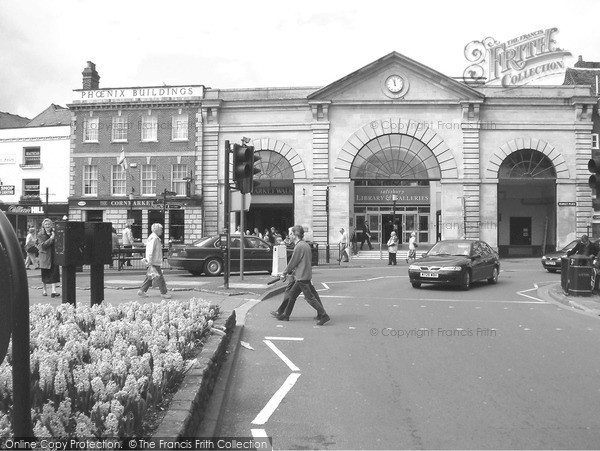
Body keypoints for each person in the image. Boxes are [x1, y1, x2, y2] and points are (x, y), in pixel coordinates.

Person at [277, 225, 330, 325]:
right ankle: (286, 315)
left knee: (310, 298)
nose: (290, 236)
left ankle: (324, 315)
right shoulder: (305, 245)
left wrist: (284, 273)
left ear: (295, 234)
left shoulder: (299, 246)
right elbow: (302, 262)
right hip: (304, 275)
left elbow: (293, 262)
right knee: (292, 296)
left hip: (302, 277)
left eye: (291, 234)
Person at [138, 223, 171, 299]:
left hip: (153, 261)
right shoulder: (154, 238)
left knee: (150, 277)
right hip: (154, 261)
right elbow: (150, 250)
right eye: (160, 229)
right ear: (156, 230)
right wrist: (149, 262)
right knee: (160, 277)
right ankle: (164, 293)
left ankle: (142, 290)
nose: (162, 231)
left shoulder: (153, 237)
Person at [37, 218, 60, 297]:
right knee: (45, 274)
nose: (47, 226)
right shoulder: (40, 234)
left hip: (54, 256)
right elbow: (43, 246)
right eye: (46, 224)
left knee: (54, 273)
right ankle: (44, 290)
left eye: (49, 224)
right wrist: (51, 239)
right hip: (45, 256)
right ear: (43, 225)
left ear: (51, 225)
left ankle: (53, 291)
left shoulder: (54, 233)